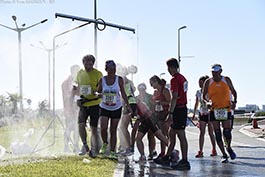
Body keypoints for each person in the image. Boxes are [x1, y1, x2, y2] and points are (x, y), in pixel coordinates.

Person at [155, 58, 191, 171]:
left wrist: (170, 112)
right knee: (171, 133)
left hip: (178, 109)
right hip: (181, 108)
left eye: (168, 68)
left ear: (172, 67)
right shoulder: (183, 78)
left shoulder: (175, 79)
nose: (168, 70)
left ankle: (185, 160)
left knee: (181, 135)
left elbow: (174, 96)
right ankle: (167, 156)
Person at [202, 64, 237, 163]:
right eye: (213, 72)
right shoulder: (208, 82)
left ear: (220, 71)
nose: (214, 74)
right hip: (214, 110)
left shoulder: (226, 80)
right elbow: (203, 96)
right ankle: (224, 154)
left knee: (227, 132)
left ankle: (228, 147)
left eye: (216, 72)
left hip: (226, 109)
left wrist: (235, 102)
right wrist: (207, 102)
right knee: (217, 133)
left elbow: (234, 92)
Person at [97, 60, 132, 159]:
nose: (112, 71)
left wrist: (128, 106)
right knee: (103, 127)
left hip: (116, 107)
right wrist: (99, 94)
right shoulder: (102, 80)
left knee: (113, 130)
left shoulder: (119, 79)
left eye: (114, 69)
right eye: (110, 69)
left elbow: (123, 93)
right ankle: (105, 143)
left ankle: (113, 151)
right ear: (106, 69)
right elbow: (97, 91)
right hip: (104, 106)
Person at [73, 54, 103, 157]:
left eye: (89, 63)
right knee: (81, 125)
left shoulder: (98, 74)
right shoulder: (80, 73)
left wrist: (97, 93)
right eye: (85, 63)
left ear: (93, 64)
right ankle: (85, 146)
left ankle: (94, 149)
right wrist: (74, 87)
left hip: (94, 104)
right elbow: (76, 83)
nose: (87, 65)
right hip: (83, 104)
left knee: (93, 128)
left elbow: (101, 88)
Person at [135, 97, 168, 162]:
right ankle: (142, 156)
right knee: (138, 138)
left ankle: (172, 151)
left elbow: (138, 112)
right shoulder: (134, 101)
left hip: (150, 119)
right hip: (144, 120)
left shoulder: (135, 102)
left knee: (161, 137)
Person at [192, 75, 217, 158]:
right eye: (199, 83)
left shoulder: (210, 90)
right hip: (202, 113)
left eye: (201, 83)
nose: (199, 84)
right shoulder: (198, 92)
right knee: (202, 132)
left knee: (211, 132)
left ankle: (214, 149)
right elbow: (197, 102)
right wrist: (194, 113)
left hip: (210, 112)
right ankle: (201, 150)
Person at [131, 83, 157, 160]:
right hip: (140, 118)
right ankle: (137, 150)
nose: (141, 90)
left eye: (143, 89)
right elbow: (135, 110)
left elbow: (153, 106)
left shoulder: (149, 96)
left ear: (145, 89)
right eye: (140, 89)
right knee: (135, 132)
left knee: (151, 135)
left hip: (149, 118)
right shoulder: (136, 98)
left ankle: (151, 152)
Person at [150, 75, 171, 161]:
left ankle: (167, 152)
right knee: (158, 133)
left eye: (152, 83)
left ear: (156, 82)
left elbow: (169, 101)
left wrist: (160, 102)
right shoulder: (155, 92)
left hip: (165, 114)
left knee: (165, 133)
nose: (151, 86)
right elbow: (153, 102)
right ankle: (163, 152)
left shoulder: (165, 90)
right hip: (157, 114)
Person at [61, 64, 80, 153]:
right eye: (76, 71)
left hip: (77, 109)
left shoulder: (77, 82)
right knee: (69, 128)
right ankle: (66, 146)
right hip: (69, 110)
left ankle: (75, 146)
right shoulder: (66, 82)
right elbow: (68, 96)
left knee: (76, 129)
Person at [118, 67, 137, 154]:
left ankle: (128, 147)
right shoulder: (128, 81)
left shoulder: (123, 81)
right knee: (122, 127)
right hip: (128, 103)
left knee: (123, 127)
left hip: (128, 103)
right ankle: (124, 146)